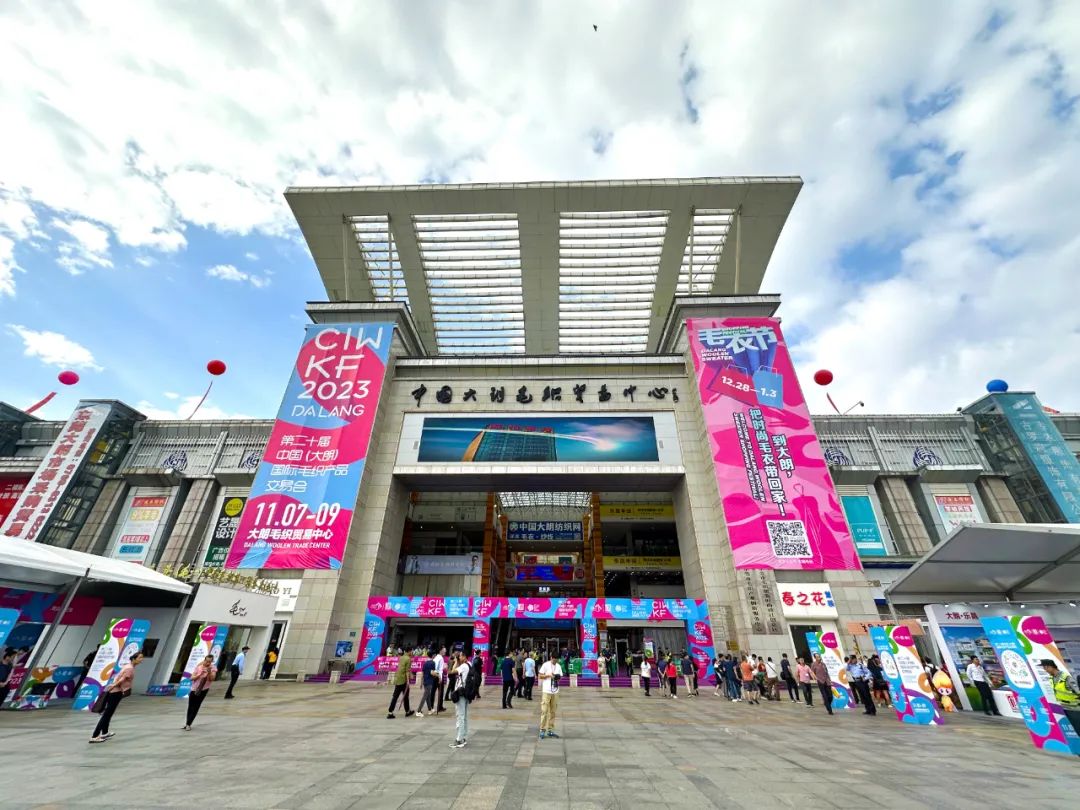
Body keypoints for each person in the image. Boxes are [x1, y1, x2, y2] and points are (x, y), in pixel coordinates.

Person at [89, 651, 144, 743]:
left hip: (115, 691)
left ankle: (105, 733)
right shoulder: (130, 668)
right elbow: (121, 679)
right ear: (134, 659)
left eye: (142, 657)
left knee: (108, 713)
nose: (142, 659)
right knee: (107, 714)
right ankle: (94, 736)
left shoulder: (128, 666)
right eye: (140, 658)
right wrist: (113, 686)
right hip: (116, 692)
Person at [1040, 659, 1080, 733]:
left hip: (1074, 709)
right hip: (1064, 708)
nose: (1045, 670)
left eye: (1046, 667)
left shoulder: (1066, 678)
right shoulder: (1052, 678)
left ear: (1051, 667)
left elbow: (1078, 692)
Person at [183, 654, 217, 730]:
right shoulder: (199, 667)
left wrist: (209, 673)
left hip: (203, 689)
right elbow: (191, 678)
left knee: (196, 706)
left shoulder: (213, 668)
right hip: (194, 689)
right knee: (190, 706)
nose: (208, 663)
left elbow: (212, 679)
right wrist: (199, 675)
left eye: (210, 662)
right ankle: (187, 723)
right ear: (204, 660)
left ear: (211, 662)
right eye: (207, 661)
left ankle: (188, 724)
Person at [538, 650, 563, 739]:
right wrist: (548, 675)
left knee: (553, 712)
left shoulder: (558, 666)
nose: (555, 661)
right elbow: (540, 676)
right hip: (546, 691)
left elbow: (560, 677)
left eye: (557, 660)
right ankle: (542, 730)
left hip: (555, 691)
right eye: (554, 660)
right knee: (544, 711)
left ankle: (550, 729)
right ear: (551, 657)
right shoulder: (545, 665)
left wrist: (557, 677)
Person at [449, 651, 472, 749]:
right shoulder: (469, 664)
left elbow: (451, 671)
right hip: (465, 693)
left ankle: (459, 739)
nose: (459, 657)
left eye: (460, 656)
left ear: (464, 656)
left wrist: (455, 662)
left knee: (460, 716)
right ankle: (463, 737)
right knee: (464, 716)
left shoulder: (463, 666)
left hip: (461, 694)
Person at [386, 649, 415, 719]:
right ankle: (407, 711)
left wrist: (410, 674)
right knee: (405, 696)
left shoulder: (401, 657)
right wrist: (408, 681)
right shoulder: (408, 659)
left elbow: (404, 669)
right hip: (403, 680)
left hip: (398, 679)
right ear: (409, 651)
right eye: (411, 651)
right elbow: (407, 671)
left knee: (395, 696)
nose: (412, 653)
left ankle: (390, 712)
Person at [418, 652, 438, 716]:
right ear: (433, 655)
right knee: (425, 696)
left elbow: (422, 673)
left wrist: (421, 683)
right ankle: (418, 711)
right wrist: (438, 675)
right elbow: (432, 672)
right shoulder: (432, 663)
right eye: (435, 655)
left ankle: (430, 709)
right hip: (429, 681)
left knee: (428, 696)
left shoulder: (425, 663)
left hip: (425, 681)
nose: (435, 656)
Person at [433, 646, 448, 713]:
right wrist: (440, 677)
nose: (445, 651)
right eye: (444, 650)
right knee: (441, 692)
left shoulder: (436, 657)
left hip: (435, 676)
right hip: (439, 676)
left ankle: (431, 707)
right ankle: (439, 707)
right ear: (440, 650)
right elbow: (438, 669)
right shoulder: (441, 658)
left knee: (433, 692)